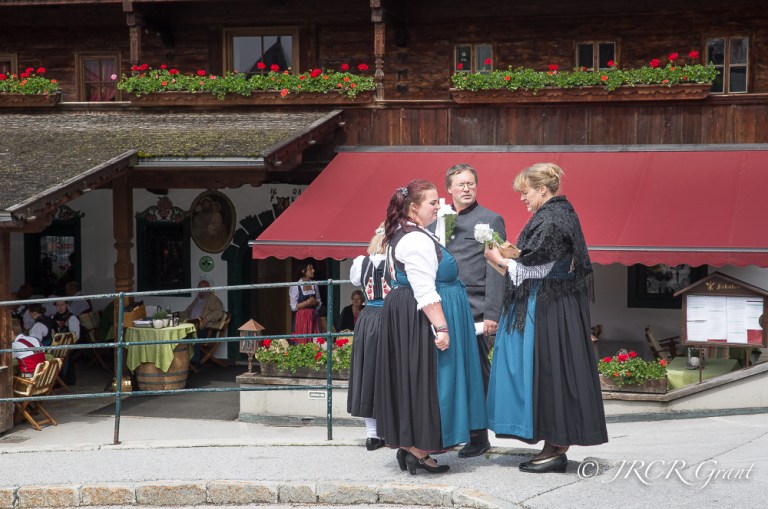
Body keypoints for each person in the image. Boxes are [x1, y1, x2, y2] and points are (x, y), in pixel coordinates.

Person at [484, 163, 608, 474]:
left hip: (550, 307)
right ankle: (554, 445)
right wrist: (507, 260)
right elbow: (537, 263)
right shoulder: (559, 213)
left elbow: (536, 270)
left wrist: (498, 259)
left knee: (551, 372)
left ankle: (556, 447)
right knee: (555, 372)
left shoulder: (552, 219)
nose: (522, 198)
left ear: (542, 190)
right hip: (556, 303)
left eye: (525, 192)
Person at [373, 180, 487, 476]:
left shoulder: (410, 233)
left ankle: (411, 445)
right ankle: (419, 449)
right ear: (413, 207)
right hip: (421, 315)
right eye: (433, 202)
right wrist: (442, 327)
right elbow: (424, 289)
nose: (439, 206)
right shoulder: (415, 240)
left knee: (416, 379)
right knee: (429, 380)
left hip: (409, 312)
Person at [439, 163, 506, 458]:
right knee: (450, 372)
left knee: (477, 373)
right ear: (449, 189)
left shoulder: (490, 219)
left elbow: (497, 267)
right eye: (460, 184)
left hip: (475, 308)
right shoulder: (440, 220)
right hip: (444, 307)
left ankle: (479, 436)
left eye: (470, 184)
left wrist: (492, 312)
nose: (466, 189)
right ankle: (453, 432)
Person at [347, 223, 390, 451]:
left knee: (368, 371)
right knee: (391, 371)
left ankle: (372, 434)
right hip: (391, 317)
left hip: (368, 318)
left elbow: (356, 282)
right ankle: (388, 430)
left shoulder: (361, 262)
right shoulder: (396, 262)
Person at [288, 264, 322, 345]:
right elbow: (293, 307)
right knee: (302, 340)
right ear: (303, 271)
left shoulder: (314, 284)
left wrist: (314, 302)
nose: (313, 270)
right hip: (302, 317)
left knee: (315, 339)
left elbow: (319, 301)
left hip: (313, 315)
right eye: (310, 269)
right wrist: (307, 303)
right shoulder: (296, 286)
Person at [51, 298, 81, 385]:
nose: (60, 307)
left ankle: (64, 380)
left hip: (68, 344)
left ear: (66, 305)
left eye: (62, 305)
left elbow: (75, 335)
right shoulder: (53, 318)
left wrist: (68, 345)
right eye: (58, 305)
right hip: (56, 344)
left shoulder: (72, 318)